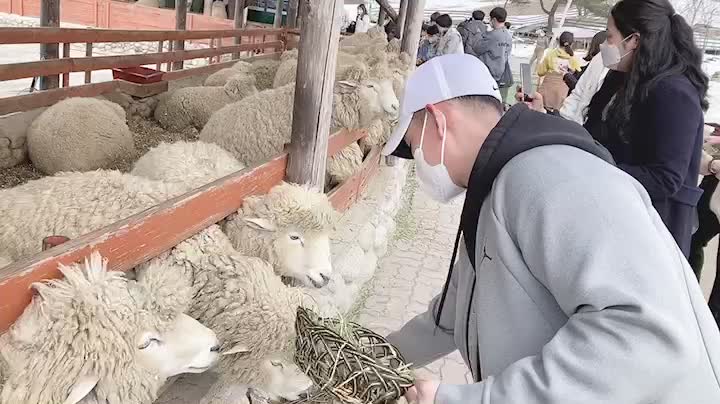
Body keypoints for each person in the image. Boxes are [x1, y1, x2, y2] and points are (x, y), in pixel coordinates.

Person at [381, 52, 720, 404]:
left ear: (438, 121)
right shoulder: (494, 187)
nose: (418, 160)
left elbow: (646, 335)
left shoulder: (555, 176)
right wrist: (376, 357)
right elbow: (451, 316)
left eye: (413, 145)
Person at [596, 0, 708, 257]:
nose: (605, 44)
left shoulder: (674, 92)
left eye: (610, 36)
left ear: (634, 40)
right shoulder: (620, 78)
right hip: (616, 211)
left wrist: (596, 169)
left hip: (652, 229)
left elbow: (665, 178)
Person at [471, 7, 512, 102]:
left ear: (493, 19)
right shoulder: (508, 35)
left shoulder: (493, 35)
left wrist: (478, 34)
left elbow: (477, 48)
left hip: (489, 73)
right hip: (502, 73)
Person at [536, 31, 581, 111]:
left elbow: (540, 72)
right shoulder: (573, 59)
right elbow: (579, 77)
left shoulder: (550, 54)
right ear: (572, 44)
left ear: (558, 41)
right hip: (562, 96)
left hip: (545, 94)